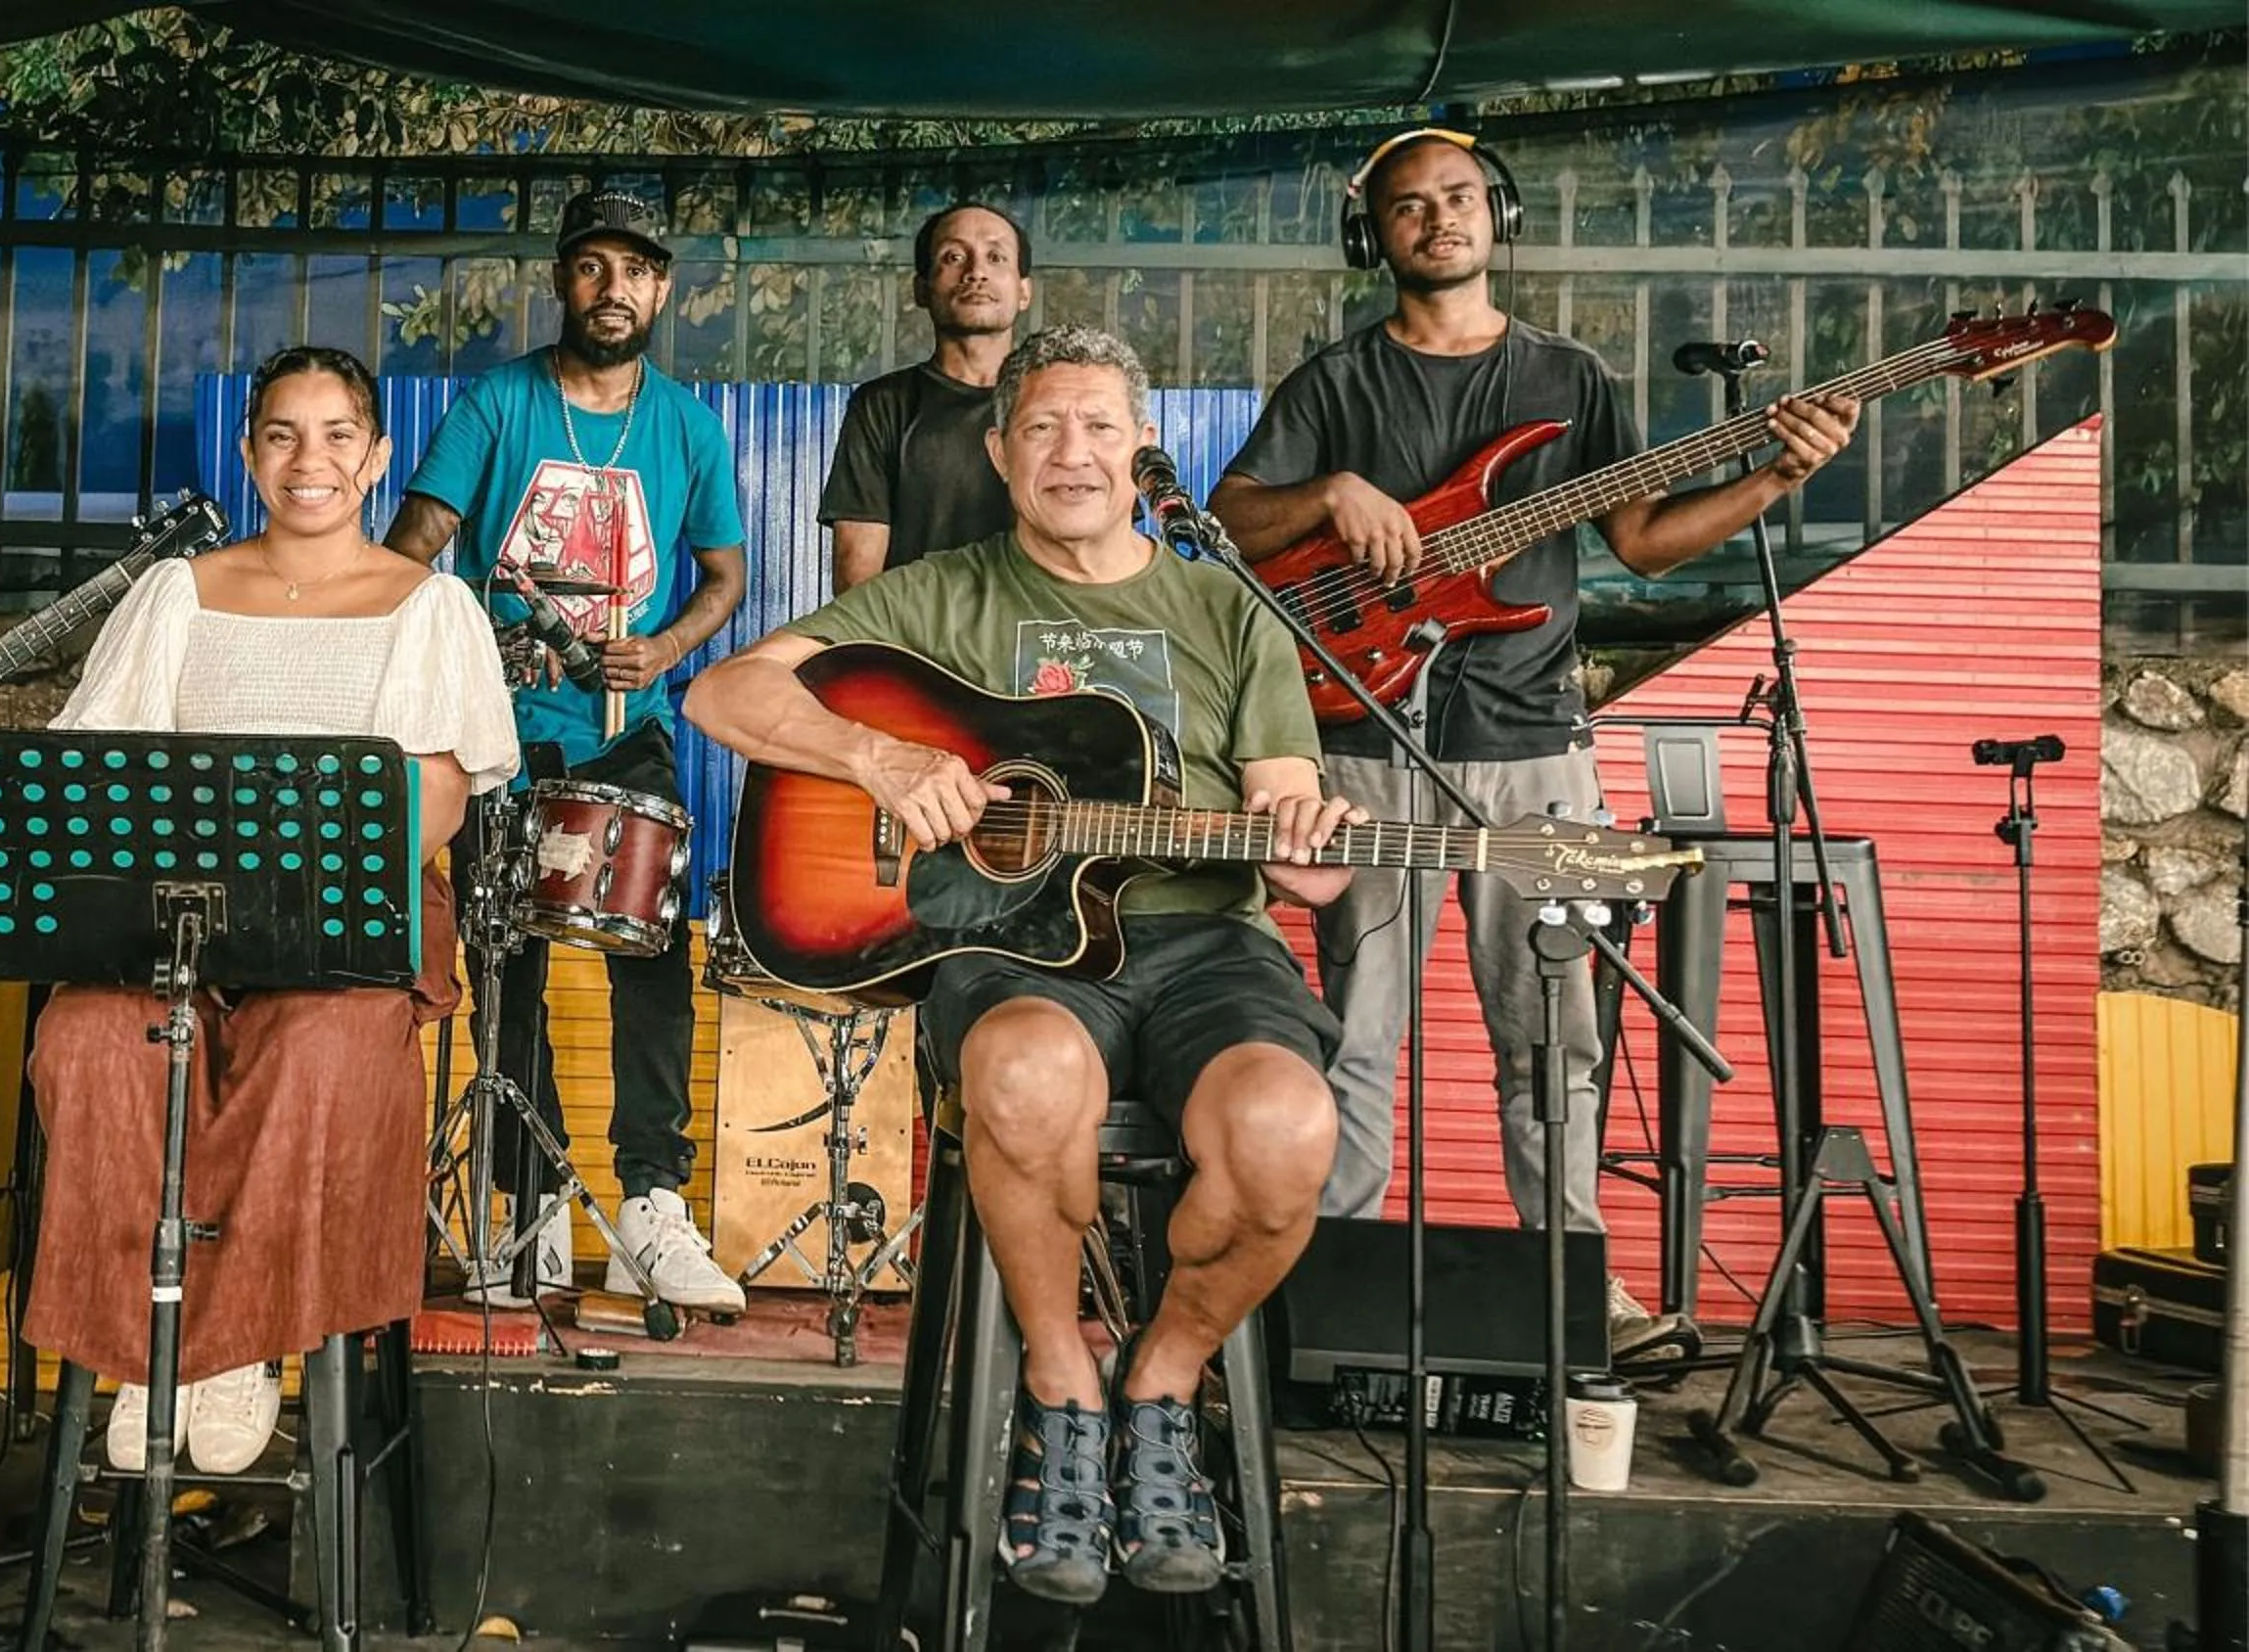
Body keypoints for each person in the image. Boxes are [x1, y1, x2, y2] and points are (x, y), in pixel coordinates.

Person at [686, 325, 1357, 1605]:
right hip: (1016, 949)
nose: (1073, 452)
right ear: (998, 454)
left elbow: (1297, 839)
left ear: (1142, 447)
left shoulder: (1228, 608)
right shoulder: (945, 595)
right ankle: (1063, 1386)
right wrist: (877, 760)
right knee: (1028, 1073)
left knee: (1283, 1128)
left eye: (1100, 426)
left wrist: (1314, 839)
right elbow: (724, 699)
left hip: (1207, 941)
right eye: (1042, 427)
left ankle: (1161, 1383)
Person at [1207, 128, 1860, 1357]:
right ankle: (1326, 1280)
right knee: (1358, 1023)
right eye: (1409, 207)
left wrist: (1776, 478)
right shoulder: (1334, 383)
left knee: (1556, 1025)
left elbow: (1646, 541)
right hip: (1362, 736)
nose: (1437, 220)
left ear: (1494, 215)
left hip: (1539, 741)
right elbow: (1232, 518)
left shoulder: (1571, 377)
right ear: (1375, 236)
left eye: (1457, 199)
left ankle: (1571, 1282)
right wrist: (1332, 493)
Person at [28, 344, 519, 1473]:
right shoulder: (178, 595)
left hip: (348, 929)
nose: (312, 459)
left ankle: (229, 1340)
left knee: (318, 1048)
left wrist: (293, 905)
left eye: (339, 433)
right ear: (249, 455)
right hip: (177, 923)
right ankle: (148, 1340)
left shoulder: (430, 607)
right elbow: (99, 771)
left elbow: (437, 795)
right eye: (283, 434)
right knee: (91, 1037)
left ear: (379, 455)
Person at [385, 189, 749, 1315]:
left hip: (624, 735)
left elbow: (724, 576)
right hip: (500, 743)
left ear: (662, 289)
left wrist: (669, 646)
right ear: (561, 282)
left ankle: (651, 1203)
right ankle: (527, 1202)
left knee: (650, 966)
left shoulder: (687, 425)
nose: (613, 289)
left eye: (634, 270)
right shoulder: (497, 402)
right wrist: (442, 643)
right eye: (591, 267)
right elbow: (413, 548)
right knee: (506, 972)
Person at [817, 201, 1033, 590]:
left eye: (996, 256)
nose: (976, 272)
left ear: (1024, 291)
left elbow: (1098, 556)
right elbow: (856, 583)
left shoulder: (1065, 406)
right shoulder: (881, 407)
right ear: (922, 288)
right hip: (913, 646)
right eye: (953, 257)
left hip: (1039, 646)